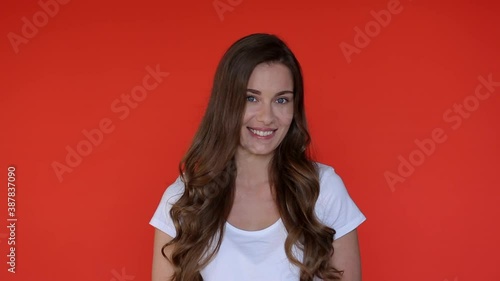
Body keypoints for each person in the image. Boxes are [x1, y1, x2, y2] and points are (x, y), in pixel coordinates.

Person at [149, 33, 367, 281]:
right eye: (251, 98)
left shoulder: (324, 189)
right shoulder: (183, 199)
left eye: (281, 100)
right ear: (226, 103)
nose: (267, 117)